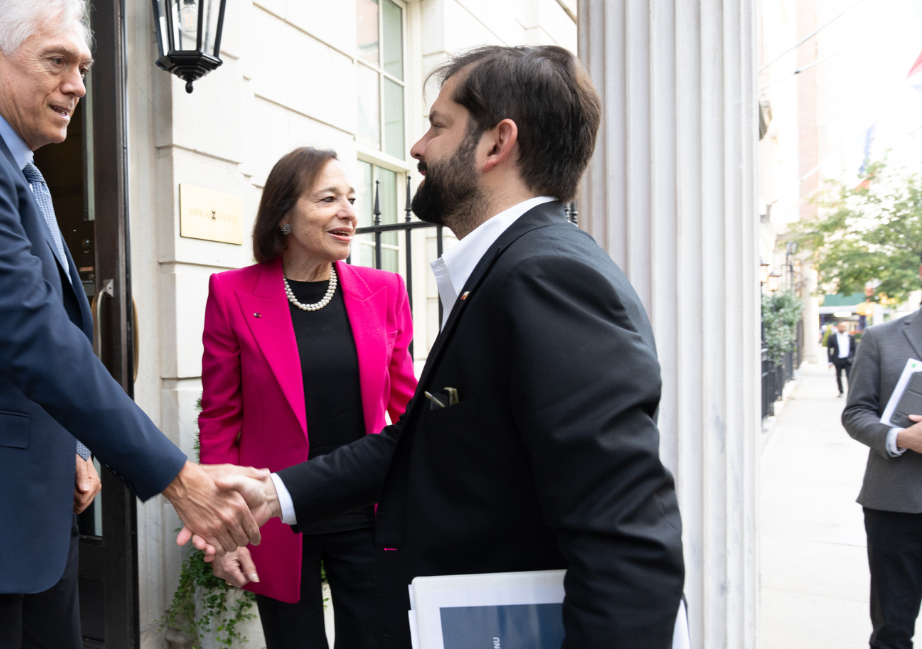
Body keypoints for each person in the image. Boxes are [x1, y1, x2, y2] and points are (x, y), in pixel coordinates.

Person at [204, 45, 686, 649]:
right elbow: (420, 436)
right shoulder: (509, 269)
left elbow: (626, 539)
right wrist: (275, 493)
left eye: (437, 125)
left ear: (495, 143)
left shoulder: (546, 277)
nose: (417, 148)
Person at [0, 0, 261, 649]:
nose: (76, 84)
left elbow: (7, 337)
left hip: (28, 508)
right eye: (56, 61)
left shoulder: (16, 171)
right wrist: (177, 476)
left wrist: (68, 445)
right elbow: (29, 334)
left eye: (84, 67)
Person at [199, 147, 417, 648]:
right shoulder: (232, 294)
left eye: (351, 198)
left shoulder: (385, 291)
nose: (348, 211)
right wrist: (219, 527)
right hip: (274, 514)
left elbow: (408, 410)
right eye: (328, 199)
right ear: (284, 216)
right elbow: (219, 417)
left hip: (365, 509)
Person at [842, 255, 922, 649]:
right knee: (893, 628)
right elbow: (855, 413)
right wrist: (901, 439)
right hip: (895, 506)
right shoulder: (881, 338)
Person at [828, 320, 858, 397]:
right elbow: (829, 350)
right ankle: (841, 391)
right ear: (838, 327)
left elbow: (854, 349)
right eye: (841, 326)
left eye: (843, 327)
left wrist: (854, 359)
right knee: (838, 376)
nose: (842, 328)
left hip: (848, 360)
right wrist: (830, 361)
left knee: (850, 376)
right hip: (838, 359)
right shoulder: (832, 337)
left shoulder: (850, 337)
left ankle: (850, 392)